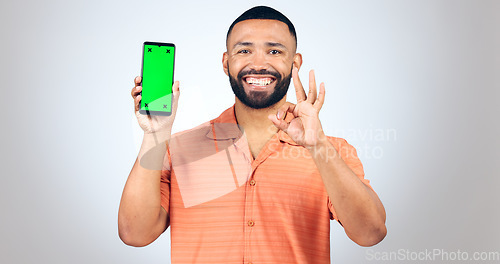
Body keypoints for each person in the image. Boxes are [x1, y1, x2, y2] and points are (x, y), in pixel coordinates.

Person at [119, 6, 386, 263]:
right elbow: (135, 233)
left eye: (274, 50)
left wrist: (317, 145)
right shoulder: (177, 150)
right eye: (244, 50)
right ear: (226, 62)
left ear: (295, 63)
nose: (258, 64)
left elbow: (370, 233)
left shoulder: (332, 151)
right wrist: (156, 134)